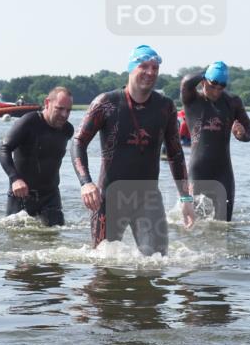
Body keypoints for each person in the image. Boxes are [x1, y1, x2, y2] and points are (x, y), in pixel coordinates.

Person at [72, 45, 194, 255]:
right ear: (130, 68)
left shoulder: (165, 106)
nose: (150, 72)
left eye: (155, 68)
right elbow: (77, 142)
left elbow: (175, 154)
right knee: (104, 271)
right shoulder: (106, 103)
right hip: (109, 199)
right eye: (144, 66)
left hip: (148, 199)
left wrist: (185, 199)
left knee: (157, 263)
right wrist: (86, 183)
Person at [180, 61, 250, 221]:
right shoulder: (191, 99)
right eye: (212, 86)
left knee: (226, 225)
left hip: (223, 172)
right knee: (193, 224)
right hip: (198, 171)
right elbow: (186, 81)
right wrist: (207, 70)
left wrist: (241, 134)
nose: (216, 92)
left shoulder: (232, 102)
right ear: (203, 81)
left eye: (220, 88)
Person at [0, 87, 75, 226]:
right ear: (47, 103)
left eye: (68, 110)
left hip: (51, 196)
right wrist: (15, 179)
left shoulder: (67, 130)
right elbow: (3, 149)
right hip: (22, 195)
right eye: (60, 108)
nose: (64, 114)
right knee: (16, 241)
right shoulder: (29, 122)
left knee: (55, 240)